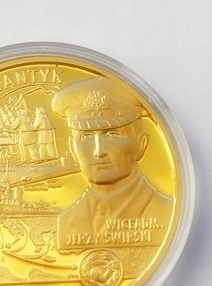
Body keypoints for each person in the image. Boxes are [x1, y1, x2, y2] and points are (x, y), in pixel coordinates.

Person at [51, 77, 173, 248]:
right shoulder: (67, 222)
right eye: (86, 136)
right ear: (72, 148)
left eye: (112, 135)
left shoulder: (167, 215)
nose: (98, 151)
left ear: (140, 145)